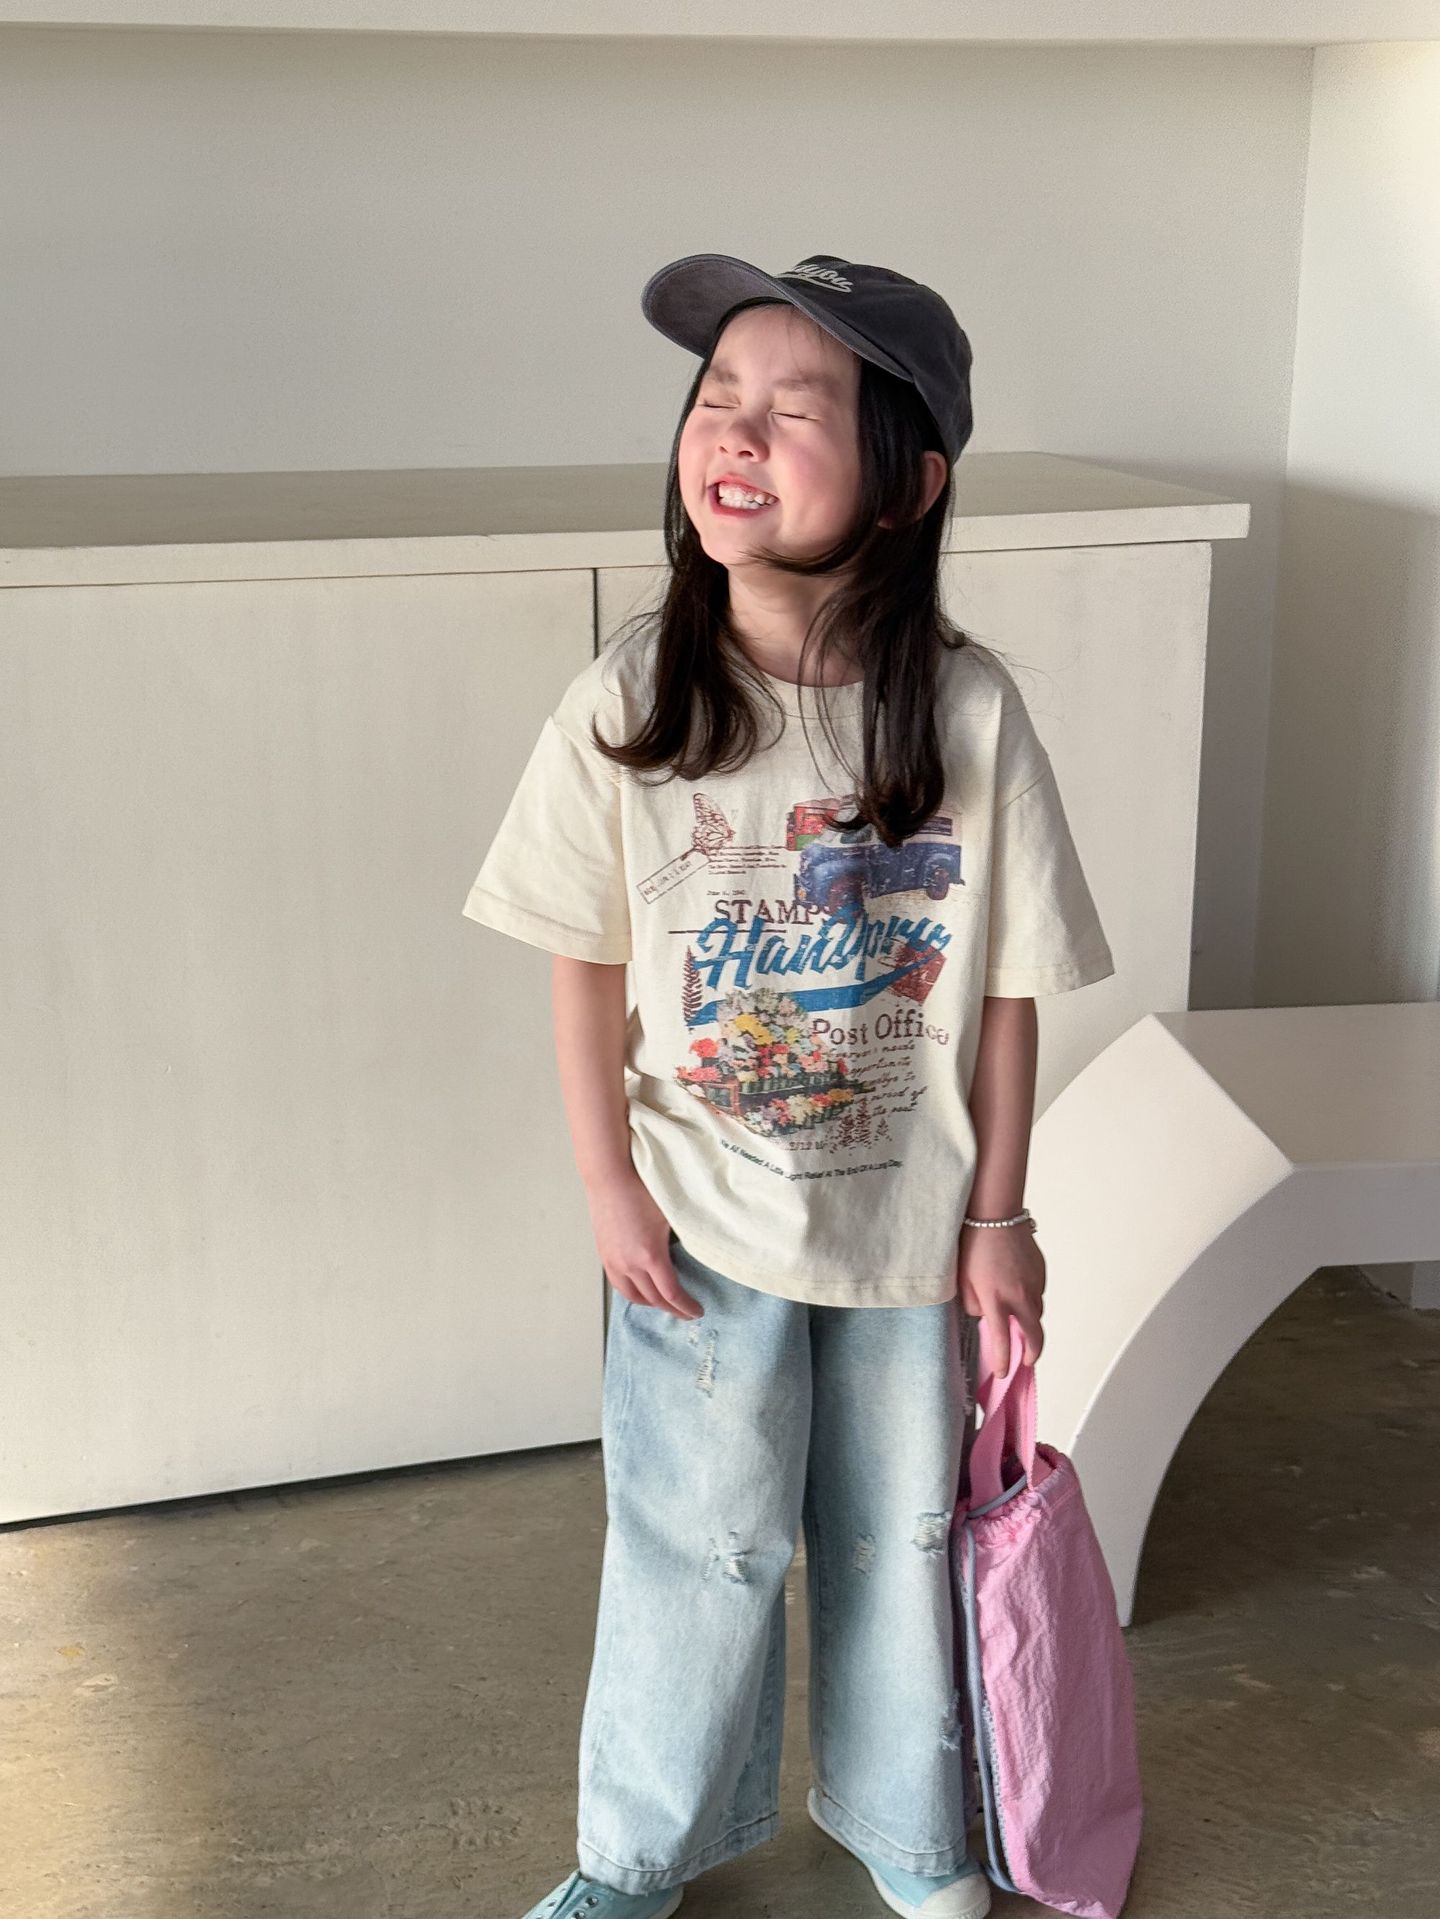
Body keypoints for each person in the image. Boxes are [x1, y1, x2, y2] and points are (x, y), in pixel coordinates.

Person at [461, 253, 1115, 1919]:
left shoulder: (967, 711)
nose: (734, 431)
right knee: (701, 1541)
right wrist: (607, 1184)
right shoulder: (632, 698)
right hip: (696, 1221)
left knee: (902, 1539)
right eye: (714, 397)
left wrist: (1001, 1217)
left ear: (908, 486)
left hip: (907, 1232)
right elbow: (581, 961)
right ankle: (638, 1855)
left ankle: (911, 1822)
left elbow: (1008, 986)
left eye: (794, 407)